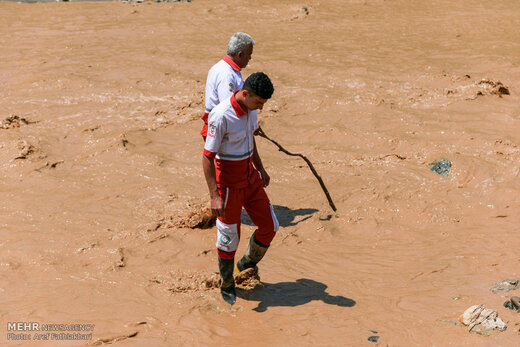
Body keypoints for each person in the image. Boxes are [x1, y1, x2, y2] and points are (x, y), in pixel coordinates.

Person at [202, 72, 279, 305]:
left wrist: (261, 169)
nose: (261, 108)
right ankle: (227, 285)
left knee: (270, 226)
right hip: (229, 185)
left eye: (263, 104)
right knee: (228, 239)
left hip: (250, 178)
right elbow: (207, 158)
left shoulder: (251, 110)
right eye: (258, 103)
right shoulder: (220, 116)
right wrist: (214, 196)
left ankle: (244, 265)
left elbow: (249, 139)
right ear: (245, 94)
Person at [200, 32, 254, 141]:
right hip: (222, 130)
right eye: (249, 54)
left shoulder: (225, 68)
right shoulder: (226, 74)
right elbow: (228, 108)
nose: (250, 58)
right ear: (240, 55)